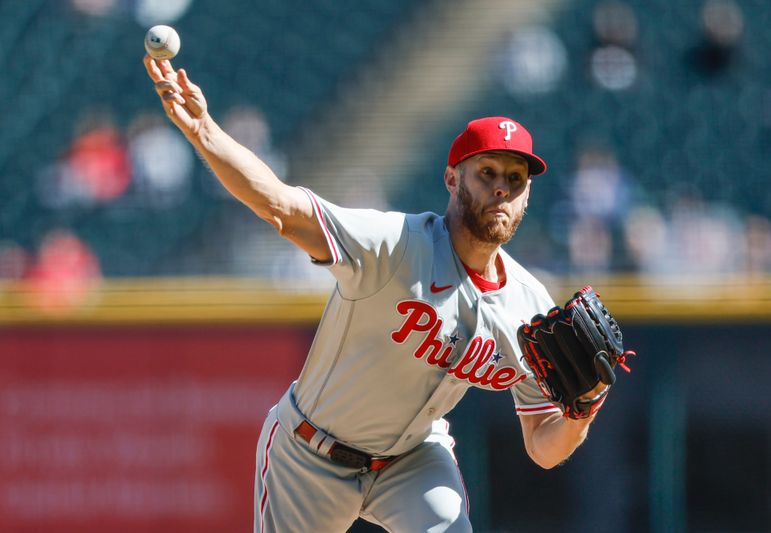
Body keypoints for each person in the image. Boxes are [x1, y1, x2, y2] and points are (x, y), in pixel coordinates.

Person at [144, 55, 608, 533]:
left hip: (413, 460)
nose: (501, 190)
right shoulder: (392, 244)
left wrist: (582, 411)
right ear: (452, 179)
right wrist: (204, 130)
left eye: (515, 180)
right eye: (486, 172)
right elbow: (279, 205)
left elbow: (542, 446)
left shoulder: (529, 307)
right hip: (309, 454)